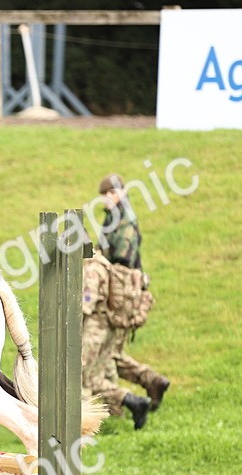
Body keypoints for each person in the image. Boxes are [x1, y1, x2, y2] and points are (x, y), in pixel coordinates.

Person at [81, 173, 171, 429]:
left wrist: (99, 269)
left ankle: (124, 402)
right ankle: (144, 386)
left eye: (108, 196)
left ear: (116, 193)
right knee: (111, 357)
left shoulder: (125, 222)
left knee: (104, 361)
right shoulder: (118, 218)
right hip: (119, 298)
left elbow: (121, 261)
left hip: (117, 301)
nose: (106, 201)